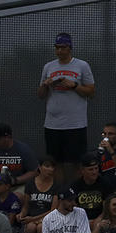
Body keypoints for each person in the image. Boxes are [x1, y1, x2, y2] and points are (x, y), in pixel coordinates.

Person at [37, 32, 96, 182]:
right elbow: (41, 94)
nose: (59, 51)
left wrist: (74, 85)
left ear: (70, 48)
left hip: (75, 124)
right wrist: (46, 84)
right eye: (57, 48)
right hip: (53, 124)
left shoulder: (82, 65)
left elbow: (91, 92)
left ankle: (75, 191)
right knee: (55, 162)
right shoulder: (48, 66)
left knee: (76, 162)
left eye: (63, 48)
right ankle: (60, 193)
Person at [17, 156, 57, 233]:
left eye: (52, 167)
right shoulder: (30, 184)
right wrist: (21, 215)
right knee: (30, 228)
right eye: (47, 166)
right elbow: (26, 206)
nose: (50, 169)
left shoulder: (56, 185)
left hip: (48, 219)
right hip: (31, 218)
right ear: (39, 167)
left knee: (40, 228)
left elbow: (53, 211)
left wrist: (33, 219)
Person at [0, 123, 38, 190]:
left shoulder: (23, 150)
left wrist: (16, 180)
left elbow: (34, 172)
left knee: (17, 196)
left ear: (7, 137)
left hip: (19, 185)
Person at [70, 153, 115, 222]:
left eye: (96, 168)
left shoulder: (105, 183)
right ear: (82, 170)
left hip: (101, 220)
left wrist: (99, 219)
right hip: (81, 220)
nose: (94, 172)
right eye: (90, 169)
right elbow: (73, 208)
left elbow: (107, 208)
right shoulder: (75, 186)